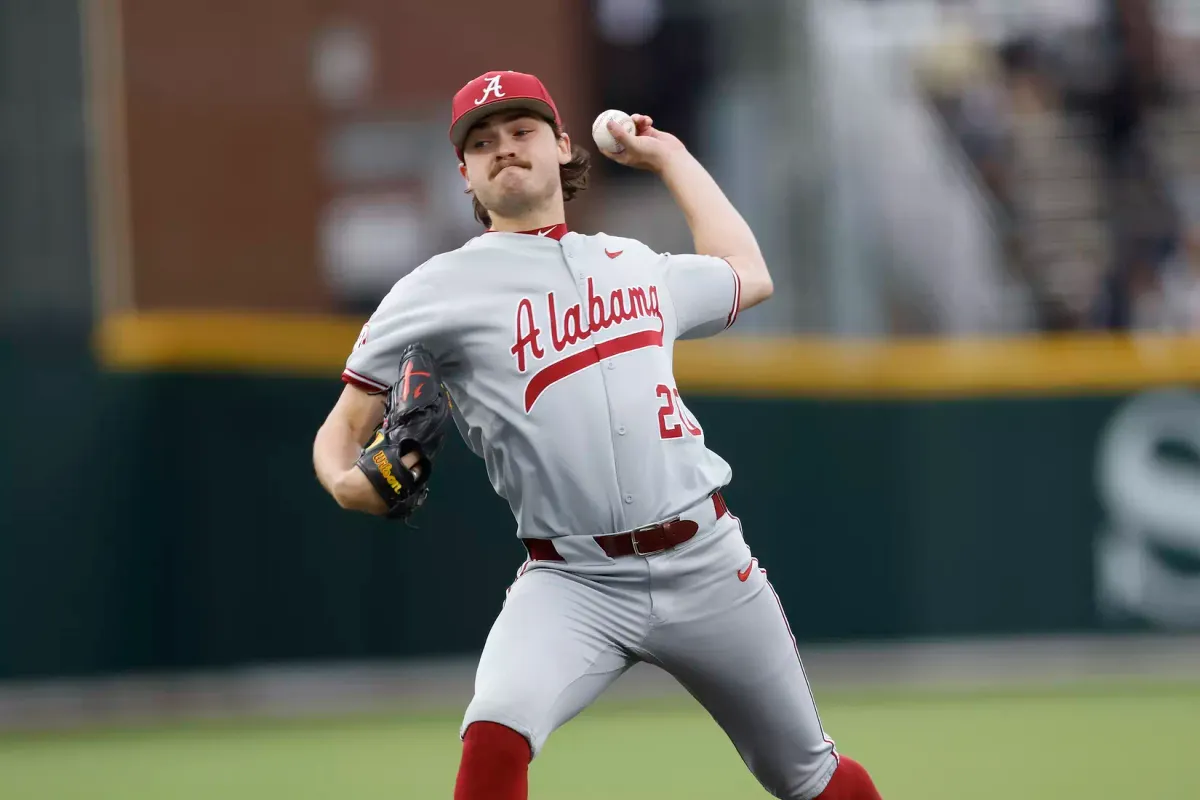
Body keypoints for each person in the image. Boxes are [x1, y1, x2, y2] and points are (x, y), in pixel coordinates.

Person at [312, 70, 883, 800]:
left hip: (705, 561)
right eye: (481, 143)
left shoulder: (633, 262)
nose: (503, 149)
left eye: (520, 132)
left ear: (560, 145)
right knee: (494, 733)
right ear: (465, 175)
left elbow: (749, 273)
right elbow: (342, 433)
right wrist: (345, 482)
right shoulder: (434, 290)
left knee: (807, 773)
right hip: (572, 579)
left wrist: (670, 157)